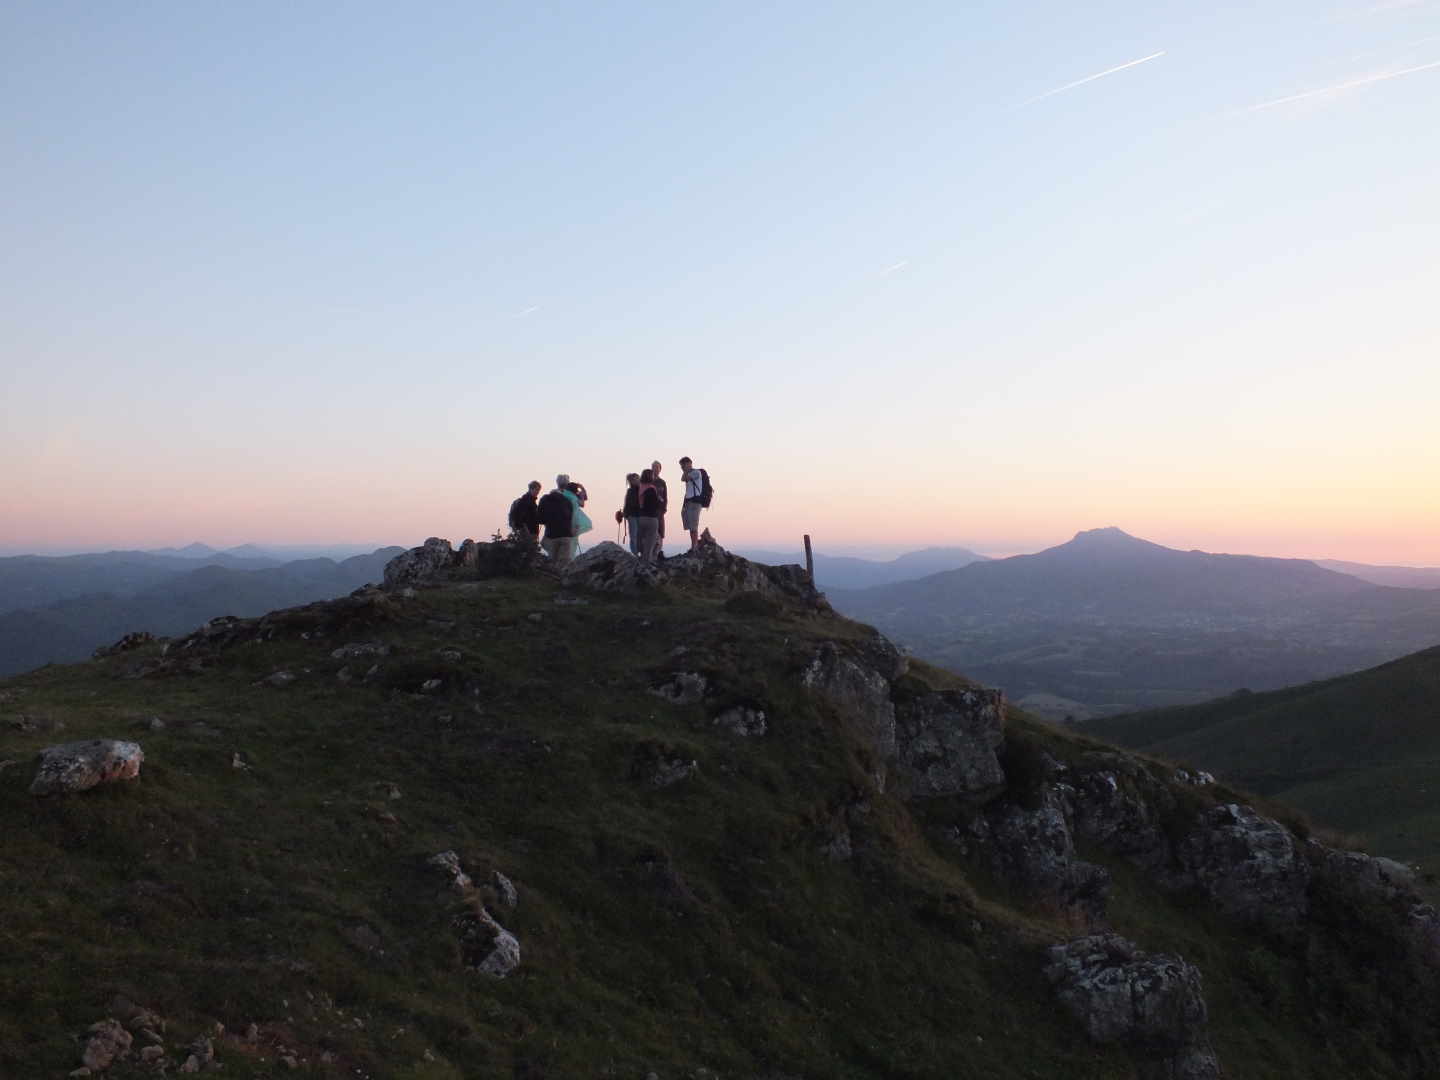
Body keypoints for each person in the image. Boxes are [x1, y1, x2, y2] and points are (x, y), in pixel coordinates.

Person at [537, 475, 578, 564]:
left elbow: (539, 518)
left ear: (557, 483)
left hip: (551, 535)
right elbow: (572, 518)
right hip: (566, 535)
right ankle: (561, 577)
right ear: (566, 485)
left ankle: (550, 576)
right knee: (563, 564)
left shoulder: (545, 499)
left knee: (552, 561)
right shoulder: (568, 501)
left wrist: (547, 521)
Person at [633, 468, 662, 562]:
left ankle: (641, 559)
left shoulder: (640, 488)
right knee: (650, 543)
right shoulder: (651, 489)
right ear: (650, 476)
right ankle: (647, 564)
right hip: (651, 519)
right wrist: (659, 500)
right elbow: (653, 505)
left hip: (641, 518)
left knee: (640, 540)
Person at [679, 456, 704, 550]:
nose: (682, 468)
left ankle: (695, 546)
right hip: (689, 501)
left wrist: (686, 469)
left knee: (694, 525)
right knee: (690, 526)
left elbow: (684, 478)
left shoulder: (696, 472)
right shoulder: (689, 472)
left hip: (695, 502)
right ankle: (693, 545)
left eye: (683, 465)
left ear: (689, 463)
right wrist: (685, 470)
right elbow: (683, 478)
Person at [507, 481, 542, 547]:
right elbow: (521, 516)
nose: (538, 492)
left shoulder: (530, 501)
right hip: (528, 532)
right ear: (531, 489)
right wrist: (524, 529)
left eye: (538, 490)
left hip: (528, 531)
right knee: (529, 550)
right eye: (536, 490)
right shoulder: (526, 501)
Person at [563, 480, 592, 550]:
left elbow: (584, 498)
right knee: (571, 542)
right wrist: (582, 488)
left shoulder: (564, 495)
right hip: (573, 522)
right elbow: (582, 503)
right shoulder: (573, 498)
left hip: (564, 521)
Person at [620, 473, 642, 555]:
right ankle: (636, 553)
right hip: (633, 515)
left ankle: (637, 552)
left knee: (636, 535)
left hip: (636, 515)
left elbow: (628, 504)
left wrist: (625, 513)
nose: (636, 481)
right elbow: (628, 504)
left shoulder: (637, 490)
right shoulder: (631, 491)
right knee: (634, 535)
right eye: (635, 479)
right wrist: (625, 513)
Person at [650, 460, 668, 557]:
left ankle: (657, 553)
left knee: (660, 533)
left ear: (660, 469)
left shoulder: (662, 482)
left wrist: (664, 509)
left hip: (660, 511)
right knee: (651, 532)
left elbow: (665, 497)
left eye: (657, 467)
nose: (655, 469)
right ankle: (650, 554)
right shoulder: (647, 481)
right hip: (650, 512)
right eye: (653, 467)